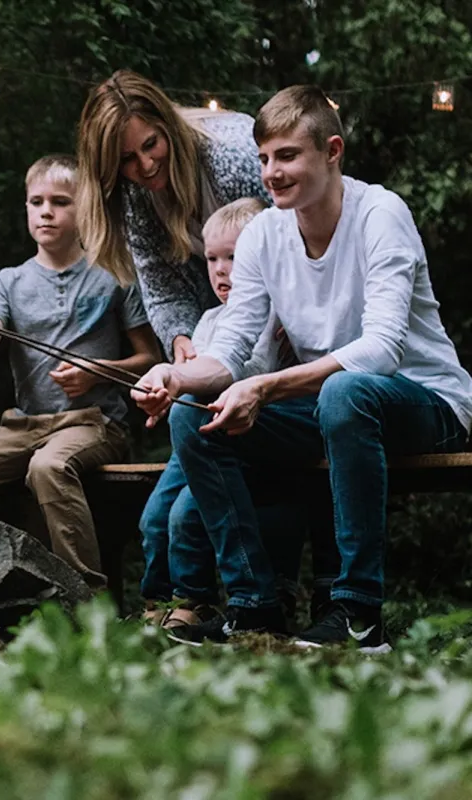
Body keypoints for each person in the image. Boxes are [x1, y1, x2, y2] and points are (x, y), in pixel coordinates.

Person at [132, 85, 472, 652]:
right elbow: (232, 348)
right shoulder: (265, 233)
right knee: (193, 416)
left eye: (287, 156)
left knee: (345, 392)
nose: (271, 172)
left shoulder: (381, 214)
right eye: (264, 158)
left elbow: (382, 350)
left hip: (426, 401)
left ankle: (359, 614)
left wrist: (265, 387)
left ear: (332, 151)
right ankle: (253, 609)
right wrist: (173, 378)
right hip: (333, 409)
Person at [0, 154, 160, 590]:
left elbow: (151, 360)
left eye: (61, 201)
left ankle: (86, 600)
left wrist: (99, 371)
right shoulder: (9, 281)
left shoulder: (113, 274)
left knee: (47, 467)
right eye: (36, 201)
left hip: (94, 423)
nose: (46, 211)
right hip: (24, 425)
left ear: (83, 209)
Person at [140, 197, 305, 631]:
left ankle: (197, 601)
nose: (220, 268)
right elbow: (196, 375)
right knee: (155, 518)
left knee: (184, 516)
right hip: (195, 433)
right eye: (212, 258)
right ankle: (157, 600)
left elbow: (251, 374)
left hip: (237, 434)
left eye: (233, 257)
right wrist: (168, 380)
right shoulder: (209, 320)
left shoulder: (280, 315)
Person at [76, 69, 269, 364]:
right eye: (127, 159)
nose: (146, 165)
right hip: (221, 322)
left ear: (168, 127)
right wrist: (181, 339)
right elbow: (163, 290)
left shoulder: (234, 156)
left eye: (151, 144)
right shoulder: (136, 197)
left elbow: (300, 235)